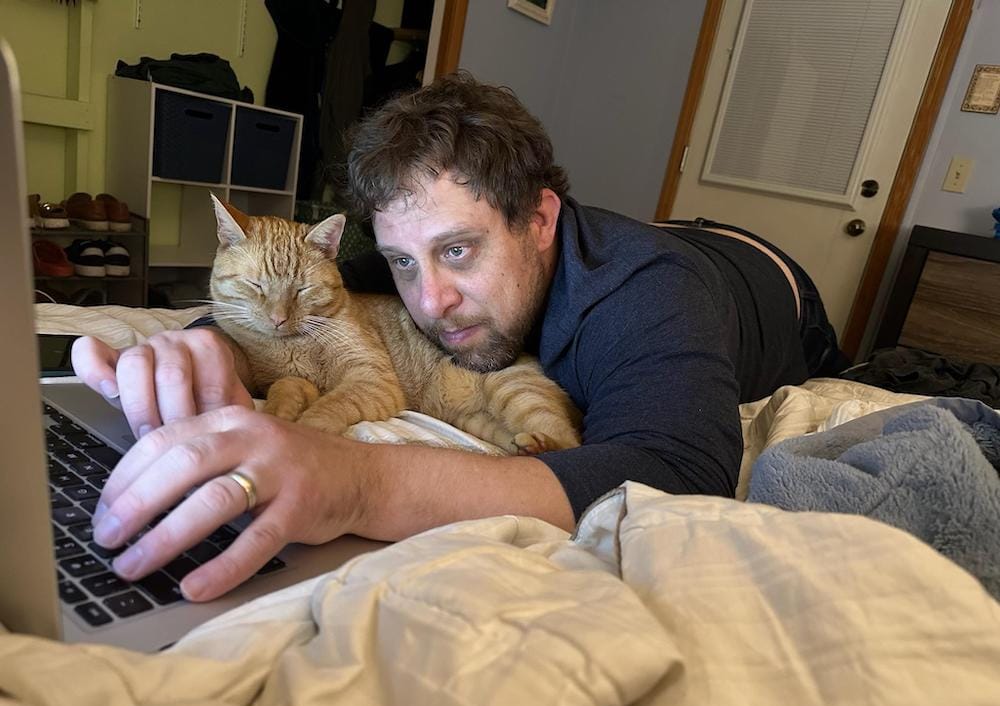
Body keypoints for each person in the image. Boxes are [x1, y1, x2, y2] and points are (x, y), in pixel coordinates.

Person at [72, 72, 846, 602]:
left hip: (760, 275)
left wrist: (360, 480)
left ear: (537, 220)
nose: (431, 299)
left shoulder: (649, 295)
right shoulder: (416, 260)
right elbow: (300, 284)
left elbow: (675, 475)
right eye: (406, 260)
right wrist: (211, 339)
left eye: (458, 250)